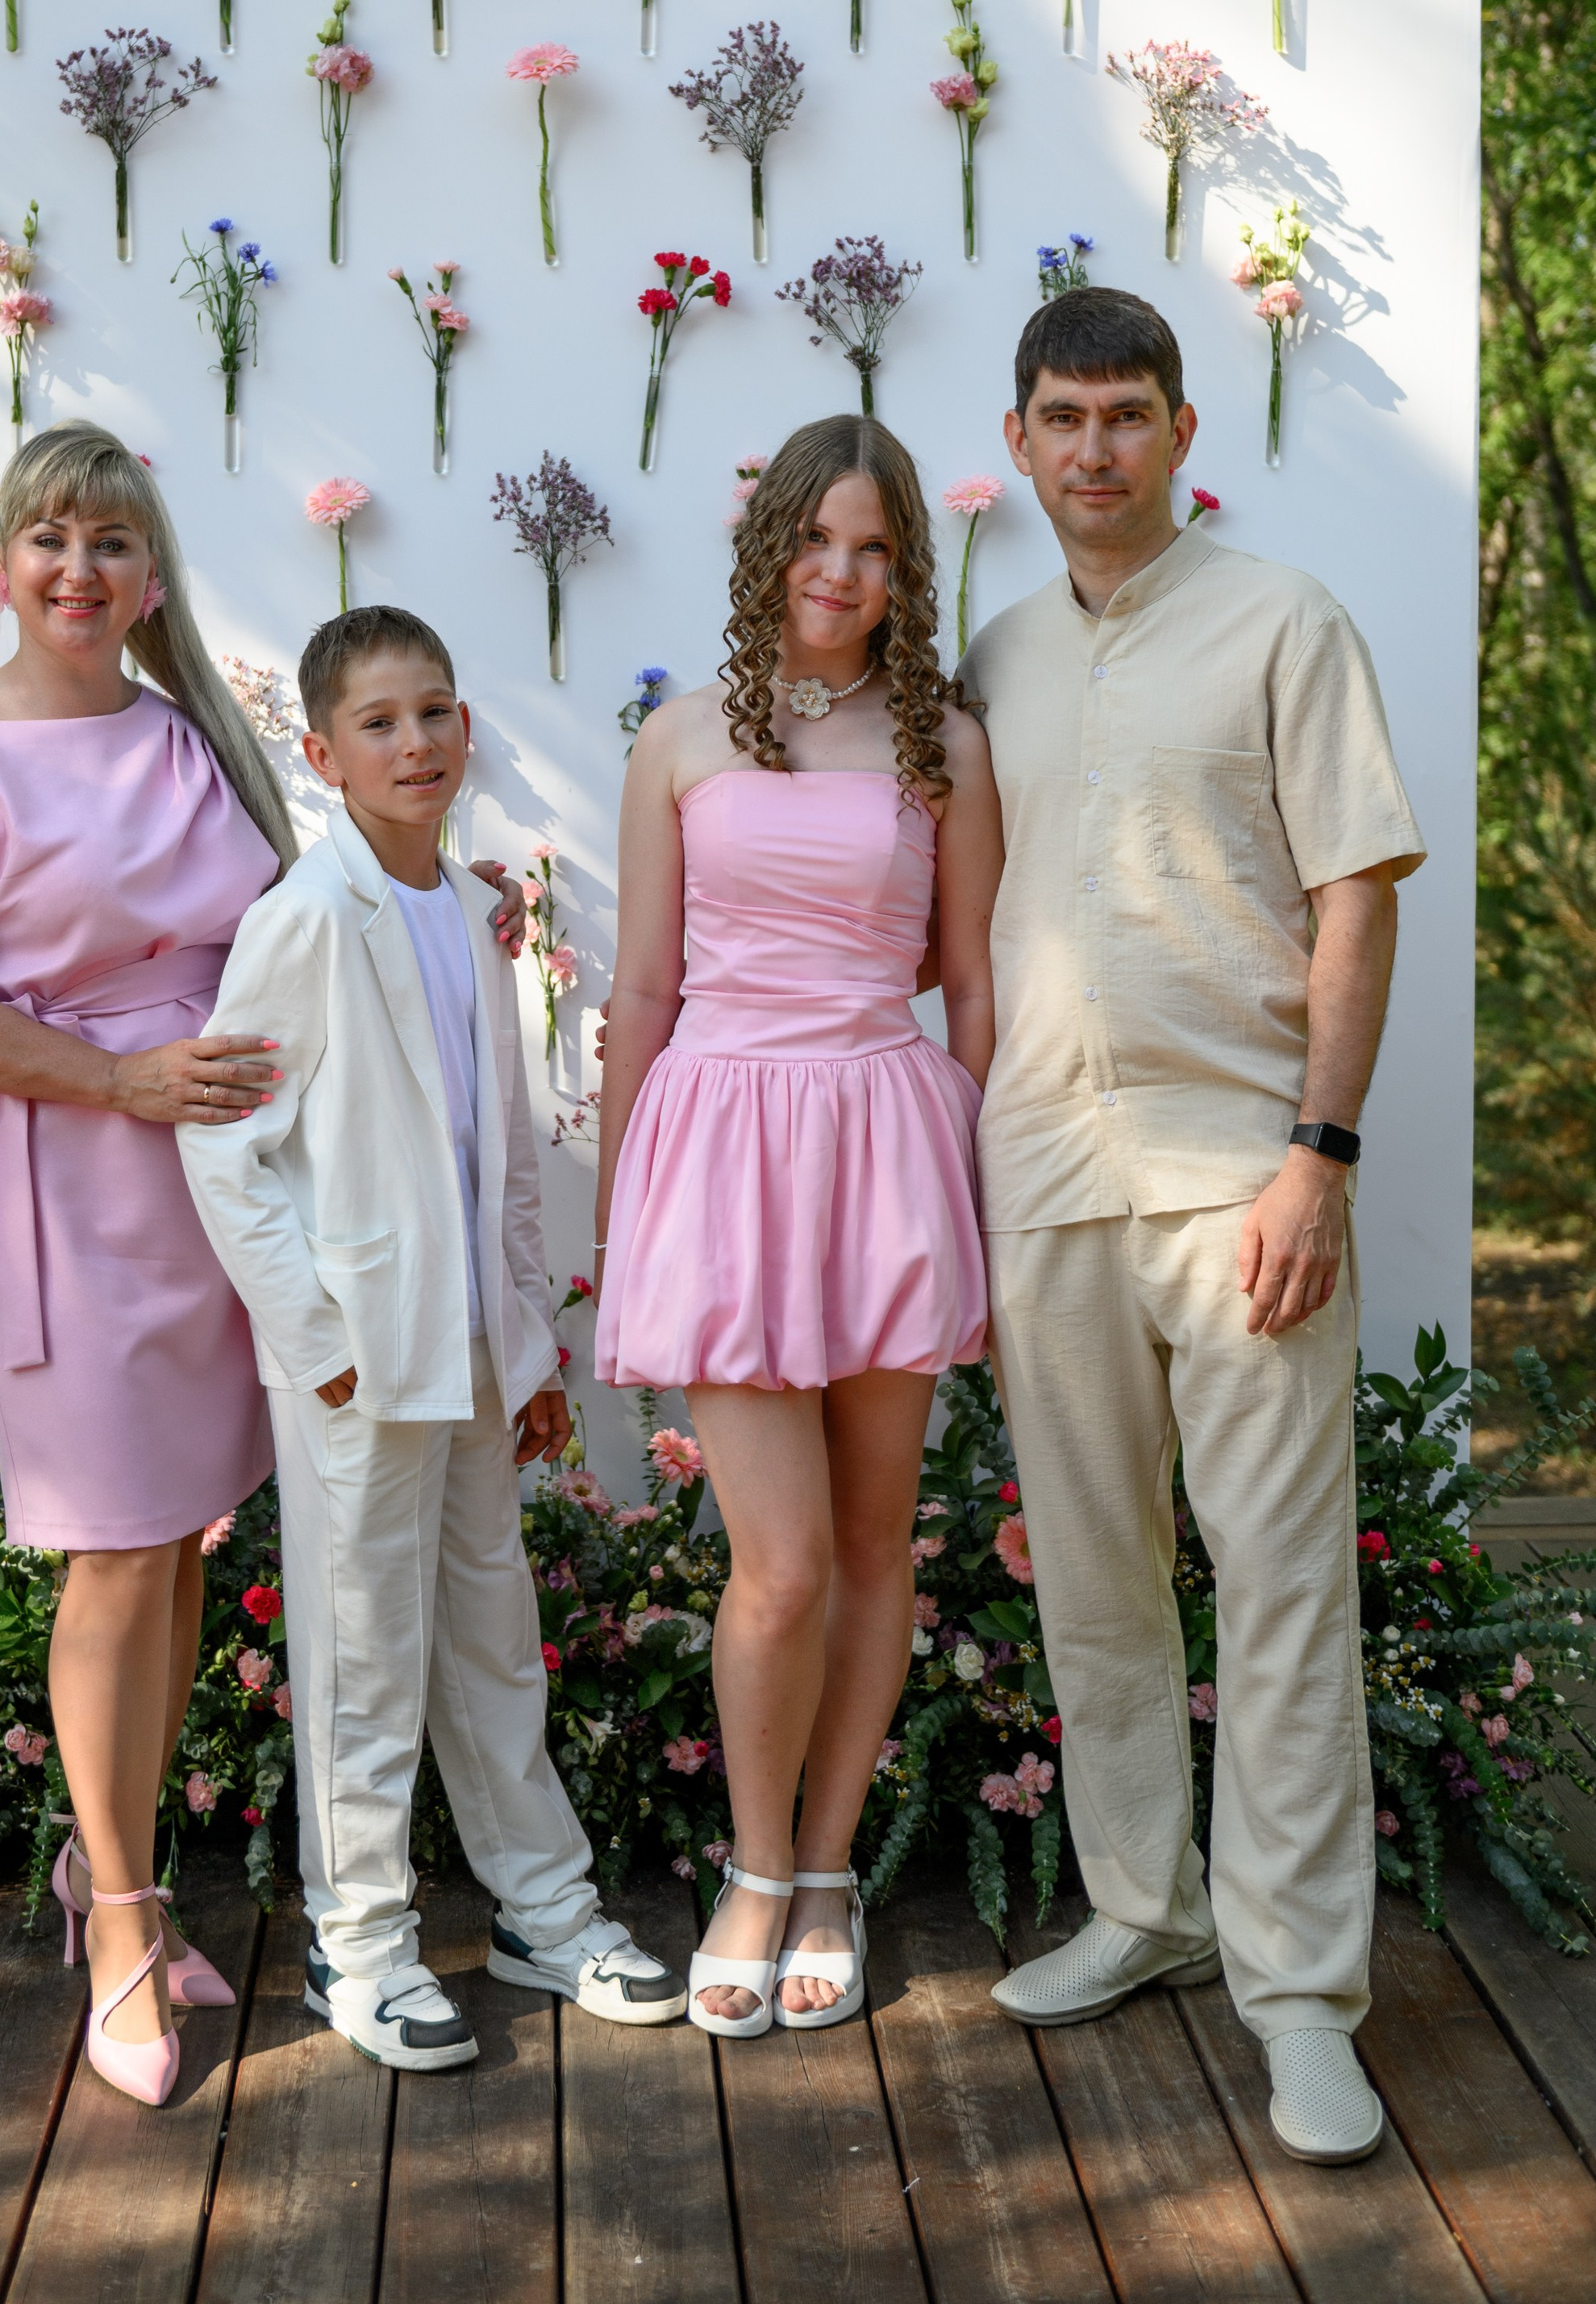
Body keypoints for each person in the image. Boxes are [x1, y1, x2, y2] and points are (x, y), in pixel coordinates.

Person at [0, 427, 525, 2110]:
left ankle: (114, 1864)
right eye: (47, 539)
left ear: (151, 578)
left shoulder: (190, 739)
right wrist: (120, 1084)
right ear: (2, 562)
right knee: (112, 1551)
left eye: (112, 543)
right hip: (76, 1176)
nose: (79, 569)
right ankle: (122, 1927)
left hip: (230, 1193)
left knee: (183, 1546)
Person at [961, 289, 1423, 2169]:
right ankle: (1143, 1911)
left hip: (1241, 1175)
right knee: (1092, 1581)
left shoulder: (1281, 623)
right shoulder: (997, 655)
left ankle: (1301, 1996)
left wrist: (1317, 1152)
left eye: (1124, 415)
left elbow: (1352, 898)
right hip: (1046, 1176)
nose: (1092, 448)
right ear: (1019, 441)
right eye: (1060, 417)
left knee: (1282, 1590)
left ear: (1177, 430)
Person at [180, 604, 685, 2069]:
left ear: (468, 731)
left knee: (491, 1633)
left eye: (438, 713)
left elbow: (500, 1152)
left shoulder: (472, 910)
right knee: (362, 1654)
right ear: (326, 750)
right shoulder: (302, 920)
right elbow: (228, 1147)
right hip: (359, 1353)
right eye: (382, 722)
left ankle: (541, 1907)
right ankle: (363, 1947)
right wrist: (316, 1333)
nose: (416, 742)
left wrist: (525, 1349)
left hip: (468, 1350)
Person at [594, 417, 999, 2036]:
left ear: (906, 570)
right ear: (764, 547)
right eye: (815, 541)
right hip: (718, 1144)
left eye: (875, 549)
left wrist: (968, 1168)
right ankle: (752, 1870)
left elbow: (967, 981)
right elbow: (638, 986)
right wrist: (630, 1202)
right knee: (772, 1567)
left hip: (883, 1140)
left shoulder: (944, 748)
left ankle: (828, 1865)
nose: (839, 575)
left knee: (867, 1546)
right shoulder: (681, 739)